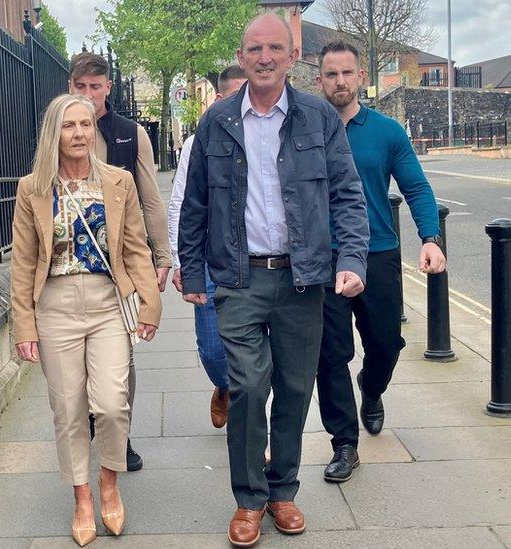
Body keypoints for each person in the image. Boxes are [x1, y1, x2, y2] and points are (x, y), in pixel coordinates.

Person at [178, 14, 370, 547]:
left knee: (291, 387)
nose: (263, 57)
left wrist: (351, 259)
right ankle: (249, 500)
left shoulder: (316, 118)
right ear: (242, 56)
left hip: (303, 279)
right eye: (254, 48)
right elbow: (195, 205)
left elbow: (347, 196)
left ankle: (283, 490)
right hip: (238, 279)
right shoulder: (215, 123)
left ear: (292, 55)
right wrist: (192, 271)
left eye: (274, 48)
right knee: (245, 386)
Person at [11, 94, 161, 546]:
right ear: (52, 134)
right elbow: (23, 262)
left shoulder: (118, 182)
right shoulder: (32, 189)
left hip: (107, 303)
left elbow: (135, 247)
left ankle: (109, 483)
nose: (79, 133)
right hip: (54, 306)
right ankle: (82, 498)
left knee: (113, 403)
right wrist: (24, 326)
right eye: (68, 126)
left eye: (85, 125)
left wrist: (150, 303)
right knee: (69, 409)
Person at [313, 40, 446, 483]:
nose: (340, 81)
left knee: (386, 344)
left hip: (379, 256)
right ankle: (344, 444)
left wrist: (430, 238)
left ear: (362, 78)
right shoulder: (305, 130)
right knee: (331, 355)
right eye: (331, 74)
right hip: (324, 262)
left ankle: (372, 389)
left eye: (347, 73)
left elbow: (417, 188)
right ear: (320, 80)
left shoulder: (387, 132)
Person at [69, 52, 171, 471]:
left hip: (122, 263)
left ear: (108, 87)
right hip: (72, 262)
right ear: (70, 87)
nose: (89, 95)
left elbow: (150, 198)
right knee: (75, 361)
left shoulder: (131, 134)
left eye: (96, 86)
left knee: (122, 356)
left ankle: (118, 433)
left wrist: (162, 255)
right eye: (81, 87)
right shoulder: (58, 132)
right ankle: (90, 421)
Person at [168, 64, 247, 429]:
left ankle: (253, 433)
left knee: (261, 358)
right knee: (214, 351)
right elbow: (182, 202)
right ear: (219, 99)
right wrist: (180, 260)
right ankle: (224, 386)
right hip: (212, 260)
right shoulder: (195, 142)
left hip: (262, 264)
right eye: (238, 94)